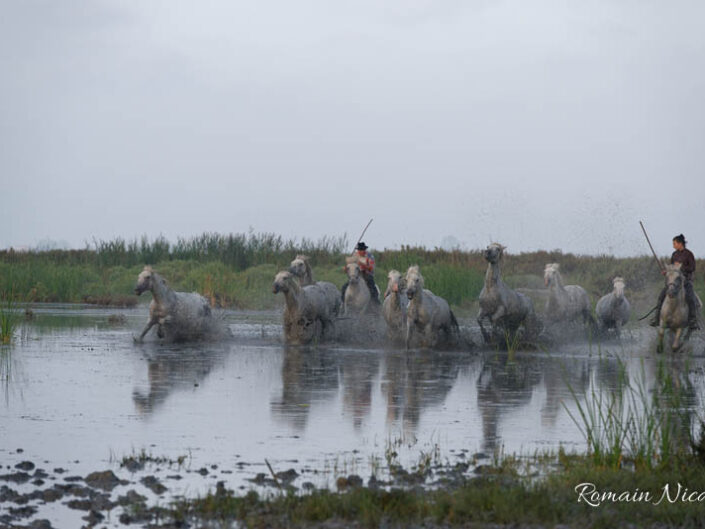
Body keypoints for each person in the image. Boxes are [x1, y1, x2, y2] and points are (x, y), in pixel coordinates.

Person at [649, 234, 699, 330]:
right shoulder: (674, 254)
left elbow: (692, 268)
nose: (673, 245)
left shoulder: (689, 254)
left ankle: (693, 320)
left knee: (690, 297)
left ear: (680, 243)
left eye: (674, 243)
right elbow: (671, 268)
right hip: (674, 282)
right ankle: (656, 318)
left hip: (686, 281)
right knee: (661, 296)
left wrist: (681, 267)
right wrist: (666, 271)